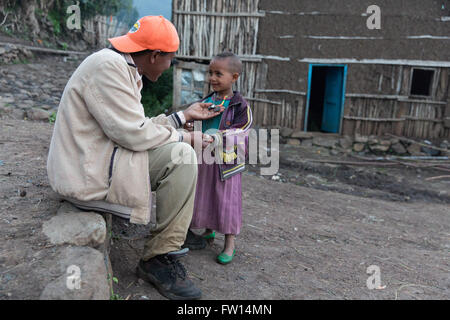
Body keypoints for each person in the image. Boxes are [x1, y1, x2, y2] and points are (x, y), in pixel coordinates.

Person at [46, 16, 224, 300]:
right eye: (171, 60)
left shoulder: (120, 66)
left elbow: (132, 126)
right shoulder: (109, 68)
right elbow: (133, 133)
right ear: (155, 55)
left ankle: (174, 232)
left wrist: (181, 117)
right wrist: (185, 137)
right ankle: (158, 257)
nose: (169, 67)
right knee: (181, 156)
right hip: (86, 174)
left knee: (178, 149)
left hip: (96, 159)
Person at [182, 52, 253, 265]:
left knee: (226, 201)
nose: (212, 78)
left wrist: (218, 137)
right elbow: (197, 123)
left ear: (234, 77)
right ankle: (208, 230)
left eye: (218, 74)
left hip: (226, 163)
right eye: (210, 73)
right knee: (205, 195)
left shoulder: (240, 106)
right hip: (205, 159)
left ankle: (229, 243)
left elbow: (243, 131)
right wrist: (190, 126)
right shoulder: (207, 101)